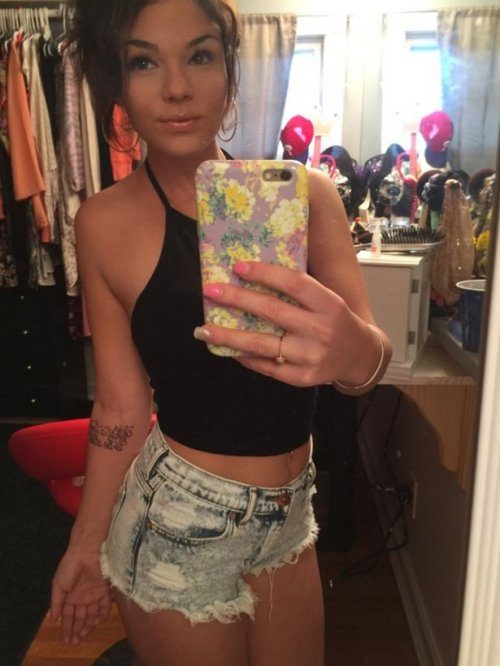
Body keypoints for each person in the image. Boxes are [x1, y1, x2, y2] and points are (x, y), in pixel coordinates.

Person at [50, 1, 392, 665]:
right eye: (144, 62)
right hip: (176, 520)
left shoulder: (308, 197)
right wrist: (85, 546)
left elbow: (369, 362)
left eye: (200, 56)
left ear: (231, 75)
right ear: (119, 85)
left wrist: (354, 352)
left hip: (290, 519)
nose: (177, 87)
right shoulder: (103, 223)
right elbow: (121, 405)